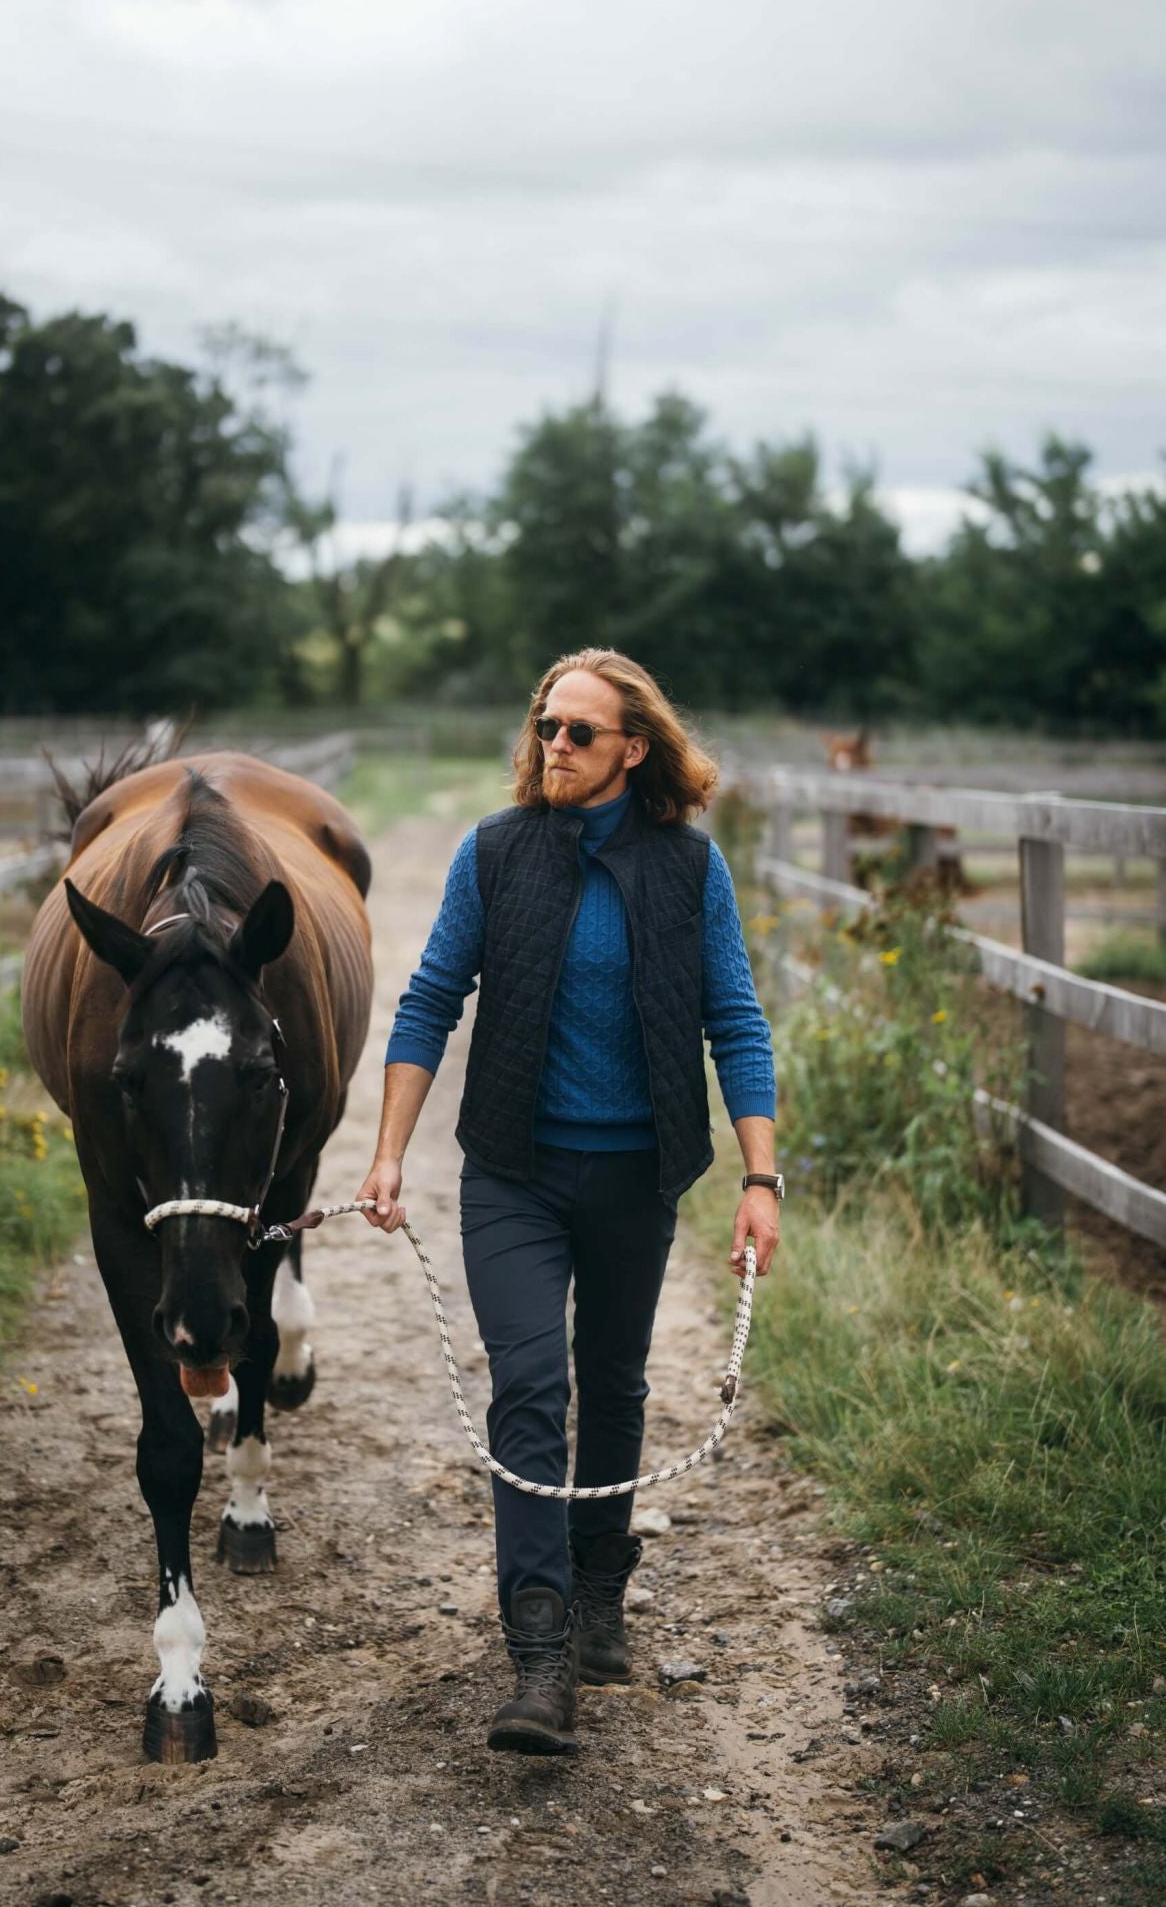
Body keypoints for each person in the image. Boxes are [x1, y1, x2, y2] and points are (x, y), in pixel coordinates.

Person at [355, 647, 781, 1756]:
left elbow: (734, 1019)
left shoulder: (690, 869)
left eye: (579, 731)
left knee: (616, 1383)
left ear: (632, 748)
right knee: (532, 1386)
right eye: (546, 724)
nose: (555, 744)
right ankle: (538, 1650)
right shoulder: (495, 853)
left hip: (638, 1174)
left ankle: (599, 1593)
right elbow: (429, 998)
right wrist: (387, 1152)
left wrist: (760, 1177)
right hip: (515, 1173)